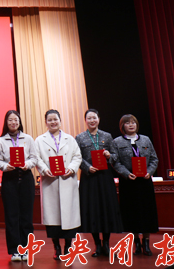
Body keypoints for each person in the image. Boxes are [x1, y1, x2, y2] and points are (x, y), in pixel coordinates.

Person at [34, 109, 82, 261]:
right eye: (50, 120)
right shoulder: (39, 140)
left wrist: (71, 168)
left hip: (67, 181)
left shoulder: (70, 139)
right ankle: (56, 247)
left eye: (55, 119)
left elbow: (77, 156)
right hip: (50, 182)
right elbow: (36, 158)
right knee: (52, 217)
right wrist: (44, 170)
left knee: (69, 216)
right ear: (46, 122)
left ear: (60, 121)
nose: (53, 122)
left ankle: (68, 246)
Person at [76, 109, 122, 258]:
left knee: (106, 209)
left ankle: (106, 244)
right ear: (85, 121)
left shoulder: (107, 136)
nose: (92, 121)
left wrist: (109, 156)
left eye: (94, 118)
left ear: (99, 119)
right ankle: (97, 244)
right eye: (89, 118)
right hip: (89, 177)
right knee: (92, 210)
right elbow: (77, 157)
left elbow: (115, 156)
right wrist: (87, 167)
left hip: (105, 177)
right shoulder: (80, 137)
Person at [111, 114, 159, 256]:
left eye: (133, 122)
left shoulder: (145, 139)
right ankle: (136, 243)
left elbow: (154, 159)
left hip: (144, 182)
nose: (131, 125)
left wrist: (149, 172)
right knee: (131, 213)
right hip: (128, 183)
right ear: (123, 126)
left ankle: (146, 243)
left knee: (146, 212)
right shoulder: (117, 142)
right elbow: (115, 162)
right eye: (127, 123)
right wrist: (126, 173)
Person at [0, 110, 38, 262]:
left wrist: (27, 164)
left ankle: (26, 248)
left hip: (26, 178)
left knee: (26, 216)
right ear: (6, 123)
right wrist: (5, 166)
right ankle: (14, 250)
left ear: (19, 122)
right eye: (10, 120)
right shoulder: (1, 140)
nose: (13, 122)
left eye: (16, 120)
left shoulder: (28, 138)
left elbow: (34, 158)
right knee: (12, 216)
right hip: (9, 179)